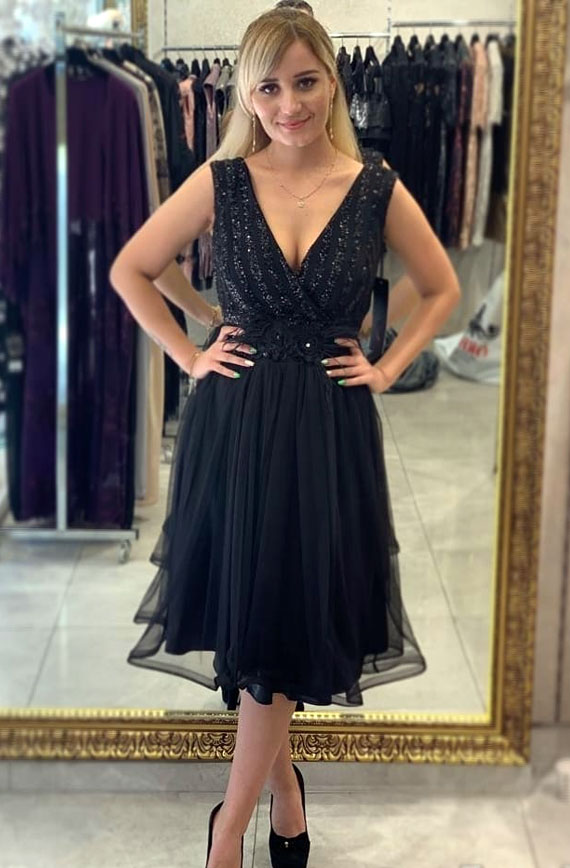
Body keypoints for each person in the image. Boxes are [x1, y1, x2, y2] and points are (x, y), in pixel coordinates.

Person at [110, 8, 460, 868]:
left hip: (330, 430)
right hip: (236, 425)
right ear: (245, 93)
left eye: (305, 82)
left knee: (287, 617)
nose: (289, 104)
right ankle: (262, 814)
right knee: (262, 621)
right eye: (268, 87)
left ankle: (237, 824)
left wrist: (387, 364)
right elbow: (133, 268)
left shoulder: (374, 185)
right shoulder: (224, 180)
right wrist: (193, 347)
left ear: (332, 81)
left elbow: (441, 287)